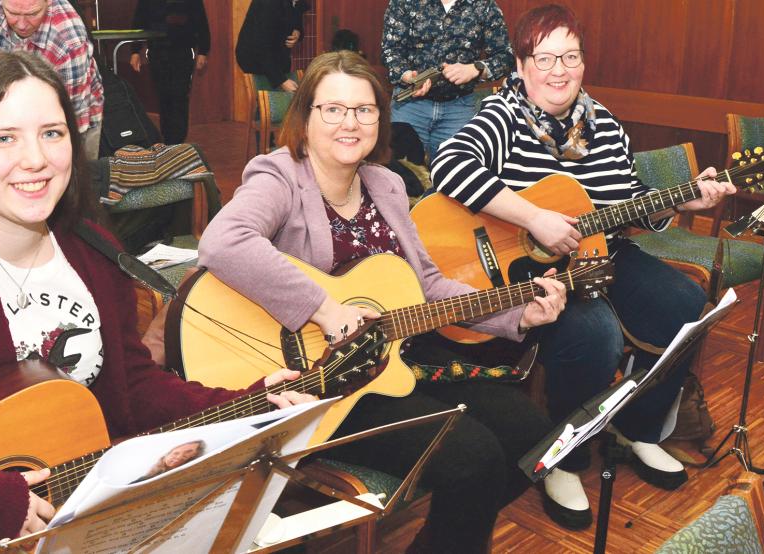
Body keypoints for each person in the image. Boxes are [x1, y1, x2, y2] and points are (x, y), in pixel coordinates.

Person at [0, 52, 313, 549]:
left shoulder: (90, 248)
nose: (36, 159)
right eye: (4, 138)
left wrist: (243, 404)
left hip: (74, 516)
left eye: (52, 133)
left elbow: (131, 389)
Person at [198, 50, 569, 553]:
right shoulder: (279, 176)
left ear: (380, 117)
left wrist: (516, 311)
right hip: (326, 379)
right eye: (333, 109)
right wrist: (327, 310)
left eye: (364, 109)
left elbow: (429, 286)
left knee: (536, 438)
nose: (350, 122)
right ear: (305, 118)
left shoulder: (387, 184)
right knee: (474, 456)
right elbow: (223, 242)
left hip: (400, 355)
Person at [430, 3, 736, 530]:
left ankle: (636, 428)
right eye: (545, 57)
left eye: (569, 56)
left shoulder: (604, 123)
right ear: (522, 65)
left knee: (684, 303)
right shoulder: (501, 116)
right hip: (535, 272)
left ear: (584, 63)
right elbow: (448, 166)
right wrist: (535, 219)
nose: (558, 70)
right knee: (594, 334)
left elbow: (628, 198)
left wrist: (682, 202)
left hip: (603, 251)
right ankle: (562, 459)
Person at [381, 0, 514, 161]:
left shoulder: (484, 6)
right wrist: (408, 76)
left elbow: (505, 56)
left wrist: (475, 68)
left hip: (459, 107)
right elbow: (390, 50)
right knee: (399, 172)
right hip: (410, 105)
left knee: (456, 174)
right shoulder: (404, 3)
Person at [0, 0, 104, 160]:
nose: (21, 25)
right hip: (8, 108)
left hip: (74, 116)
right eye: (13, 13)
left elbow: (70, 117)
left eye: (32, 14)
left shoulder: (69, 42)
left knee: (73, 173)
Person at [130, 0, 210, 144]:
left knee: (179, 95)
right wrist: (135, 51)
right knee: (163, 95)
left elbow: (200, 20)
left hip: (182, 51)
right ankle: (168, 137)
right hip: (157, 52)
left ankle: (178, 139)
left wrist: (203, 51)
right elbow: (139, 20)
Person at [235, 0, 310, 92]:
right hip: (255, 61)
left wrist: (298, 32)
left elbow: (296, 21)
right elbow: (260, 44)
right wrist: (281, 80)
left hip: (277, 59)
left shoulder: (298, 2)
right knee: (268, 103)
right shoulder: (268, 3)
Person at [135, 440, 206, 482]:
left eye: (185, 455)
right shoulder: (144, 479)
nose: (179, 457)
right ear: (167, 455)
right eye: (176, 453)